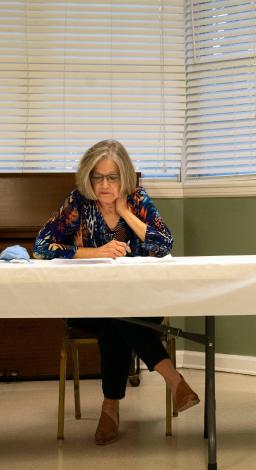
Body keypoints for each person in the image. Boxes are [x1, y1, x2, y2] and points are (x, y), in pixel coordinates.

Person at [34, 140, 200, 445]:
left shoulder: (137, 200)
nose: (104, 185)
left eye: (112, 177)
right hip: (89, 302)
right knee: (114, 316)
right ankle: (174, 381)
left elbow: (164, 246)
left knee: (118, 318)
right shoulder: (78, 203)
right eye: (98, 177)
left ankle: (110, 407)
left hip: (140, 301)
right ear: (88, 177)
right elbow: (43, 245)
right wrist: (95, 252)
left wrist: (127, 211)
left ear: (124, 177)